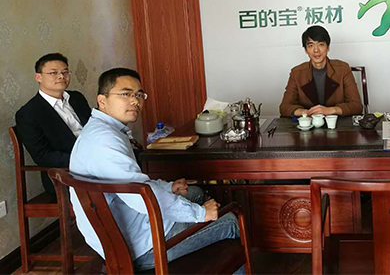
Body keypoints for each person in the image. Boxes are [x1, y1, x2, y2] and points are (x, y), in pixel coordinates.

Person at [69, 68, 242, 273]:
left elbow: (133, 184)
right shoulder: (106, 141)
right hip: (142, 247)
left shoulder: (99, 130)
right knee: (231, 220)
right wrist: (201, 214)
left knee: (194, 193)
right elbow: (141, 196)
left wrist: (169, 188)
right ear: (102, 100)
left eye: (139, 95)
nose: (135, 101)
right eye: (125, 94)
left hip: (129, 230)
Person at [15, 53, 92, 197]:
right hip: (65, 174)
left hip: (98, 159)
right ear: (38, 77)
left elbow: (93, 128)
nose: (61, 76)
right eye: (53, 73)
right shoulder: (29, 113)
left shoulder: (77, 98)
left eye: (65, 72)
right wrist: (85, 159)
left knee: (131, 160)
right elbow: (42, 156)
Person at [280, 25, 363, 117]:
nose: (316, 50)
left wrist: (330, 110)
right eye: (311, 45)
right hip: (309, 123)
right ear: (306, 50)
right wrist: (306, 112)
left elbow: (356, 106)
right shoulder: (296, 73)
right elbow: (284, 107)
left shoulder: (343, 69)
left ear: (328, 47)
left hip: (337, 123)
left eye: (321, 44)